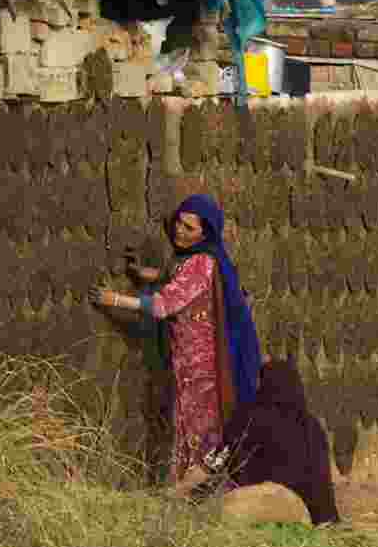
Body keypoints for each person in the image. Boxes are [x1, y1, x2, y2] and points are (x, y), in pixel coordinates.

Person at [89, 194, 263, 484]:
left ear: (205, 233)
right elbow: (175, 278)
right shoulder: (193, 259)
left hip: (201, 364)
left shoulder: (203, 263)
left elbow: (164, 304)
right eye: (179, 223)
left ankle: (198, 488)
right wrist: (144, 274)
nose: (180, 231)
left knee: (200, 428)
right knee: (187, 424)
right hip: (186, 358)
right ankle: (194, 488)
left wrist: (114, 299)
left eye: (189, 228)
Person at [191, 358, 341, 525]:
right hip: (315, 518)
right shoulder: (313, 426)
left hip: (264, 510)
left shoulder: (248, 418)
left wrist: (194, 495)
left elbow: (219, 458)